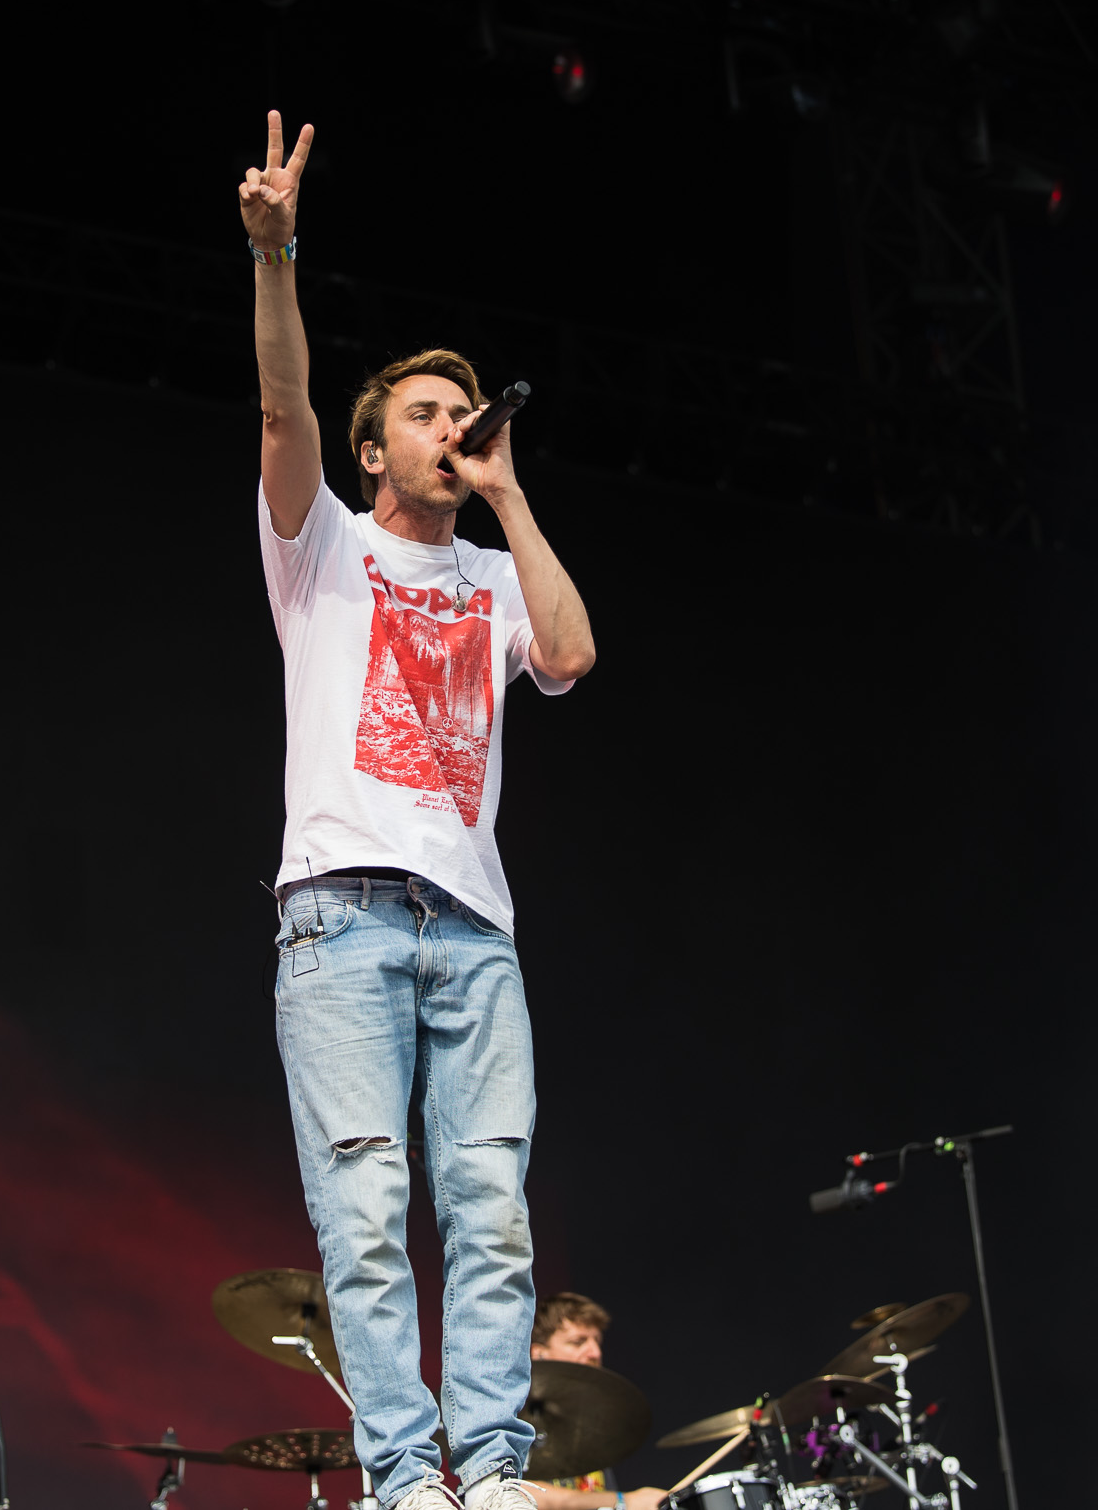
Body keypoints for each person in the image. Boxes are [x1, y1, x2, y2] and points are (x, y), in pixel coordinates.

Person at [242, 110, 596, 1510]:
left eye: (467, 413)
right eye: (428, 417)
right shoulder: (322, 545)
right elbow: (282, 406)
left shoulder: (498, 575)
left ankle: (492, 1468)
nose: (456, 428)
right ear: (374, 453)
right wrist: (276, 257)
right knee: (369, 1210)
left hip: (473, 927)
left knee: (492, 1211)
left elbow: (568, 654)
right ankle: (405, 1475)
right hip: (341, 917)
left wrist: (510, 498)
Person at [525, 1295, 664, 1510]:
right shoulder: (515, 1419)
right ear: (539, 1353)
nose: (595, 1353)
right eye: (578, 1342)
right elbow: (517, 1493)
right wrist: (624, 1501)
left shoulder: (589, 1429)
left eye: (597, 1342)